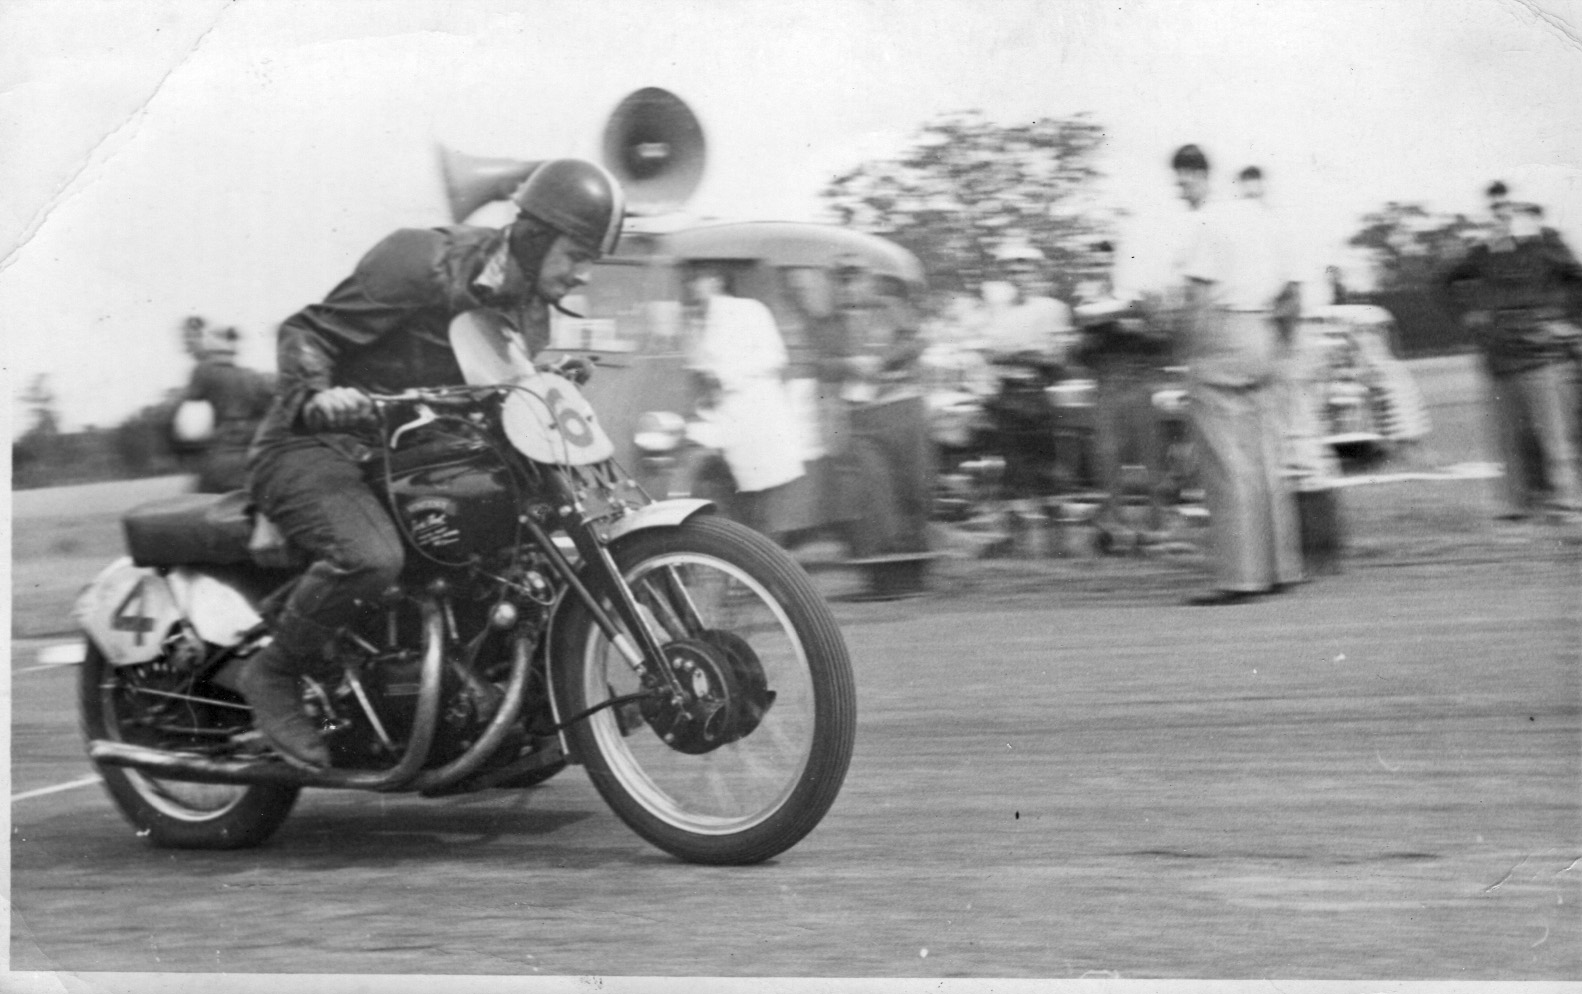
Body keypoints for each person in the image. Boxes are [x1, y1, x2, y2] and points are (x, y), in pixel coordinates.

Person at [223, 158, 625, 768]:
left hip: (398, 456)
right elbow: (307, 333)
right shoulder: (421, 263)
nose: (582, 274)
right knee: (370, 557)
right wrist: (319, 394)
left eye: (592, 259)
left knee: (519, 542)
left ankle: (520, 703)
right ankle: (273, 675)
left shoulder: (528, 310)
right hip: (314, 443)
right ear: (537, 236)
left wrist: (540, 379)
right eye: (576, 254)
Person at [1166, 145, 1302, 605]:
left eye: (1183, 183)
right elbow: (1290, 287)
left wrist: (1187, 354)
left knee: (1226, 461)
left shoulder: (1207, 221)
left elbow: (1198, 297)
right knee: (1264, 454)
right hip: (1262, 329)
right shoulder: (1258, 216)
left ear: (1197, 175)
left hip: (1222, 332)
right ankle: (1281, 567)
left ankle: (1241, 577)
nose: (1180, 192)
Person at [1442, 190, 1582, 521]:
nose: (1500, 221)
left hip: (1542, 353)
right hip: (1498, 357)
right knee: (1509, 438)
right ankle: (1516, 505)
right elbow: (1442, 281)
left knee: (1554, 434)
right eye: (1494, 215)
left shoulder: (1545, 244)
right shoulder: (1482, 253)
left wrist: (1569, 321)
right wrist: (1467, 315)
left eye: (1506, 214)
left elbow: (1577, 277)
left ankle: (1566, 503)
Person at [681, 264, 806, 536]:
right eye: (691, 281)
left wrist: (727, 376)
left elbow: (775, 357)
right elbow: (698, 368)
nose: (692, 287)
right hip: (724, 418)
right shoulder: (695, 322)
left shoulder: (749, 310)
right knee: (736, 497)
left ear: (716, 280)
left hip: (757, 411)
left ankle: (769, 567)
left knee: (765, 499)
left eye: (698, 279)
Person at [830, 255, 933, 557]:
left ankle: (919, 551)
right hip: (862, 415)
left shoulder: (889, 306)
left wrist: (883, 361)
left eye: (856, 277)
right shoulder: (834, 320)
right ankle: (887, 556)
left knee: (913, 482)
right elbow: (822, 362)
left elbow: (917, 342)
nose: (850, 286)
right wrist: (848, 365)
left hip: (900, 406)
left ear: (869, 279)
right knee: (875, 486)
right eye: (843, 280)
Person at [977, 242, 1079, 500]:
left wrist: (1014, 353)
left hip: (1035, 395)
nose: (1019, 277)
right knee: (1013, 471)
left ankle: (1046, 523)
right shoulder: (998, 311)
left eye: (1025, 271)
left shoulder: (1053, 308)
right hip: (1005, 395)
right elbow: (990, 353)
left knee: (1043, 470)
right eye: (1012, 272)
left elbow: (1055, 357)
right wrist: (1026, 351)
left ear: (1038, 272)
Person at [172, 316, 276, 493]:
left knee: (200, 505)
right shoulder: (253, 377)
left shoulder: (204, 371)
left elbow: (189, 422)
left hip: (220, 456)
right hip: (254, 458)